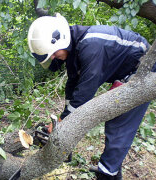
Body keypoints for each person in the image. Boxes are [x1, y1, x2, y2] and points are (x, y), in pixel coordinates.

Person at [27, 13, 156, 180]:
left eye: (52, 53)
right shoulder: (75, 48)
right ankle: (112, 171)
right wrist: (62, 118)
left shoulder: (91, 45)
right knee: (114, 117)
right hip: (125, 72)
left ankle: (107, 174)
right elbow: (73, 86)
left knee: (119, 121)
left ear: (61, 38)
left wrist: (62, 121)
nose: (52, 57)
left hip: (142, 69)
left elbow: (85, 91)